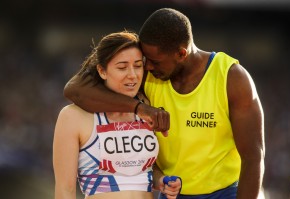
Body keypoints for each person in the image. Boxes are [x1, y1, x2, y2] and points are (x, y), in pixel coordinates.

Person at [63, 8, 265, 199]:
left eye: (154, 61)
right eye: (145, 60)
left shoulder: (231, 78)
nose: (147, 67)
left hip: (224, 192)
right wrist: (140, 108)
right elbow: (74, 90)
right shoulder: (149, 76)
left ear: (181, 54)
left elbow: (253, 157)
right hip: (172, 192)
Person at [53, 31, 181, 199]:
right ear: (102, 71)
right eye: (122, 67)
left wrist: (161, 180)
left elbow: (143, 170)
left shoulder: (148, 107)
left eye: (137, 65)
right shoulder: (73, 116)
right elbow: (65, 190)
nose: (133, 75)